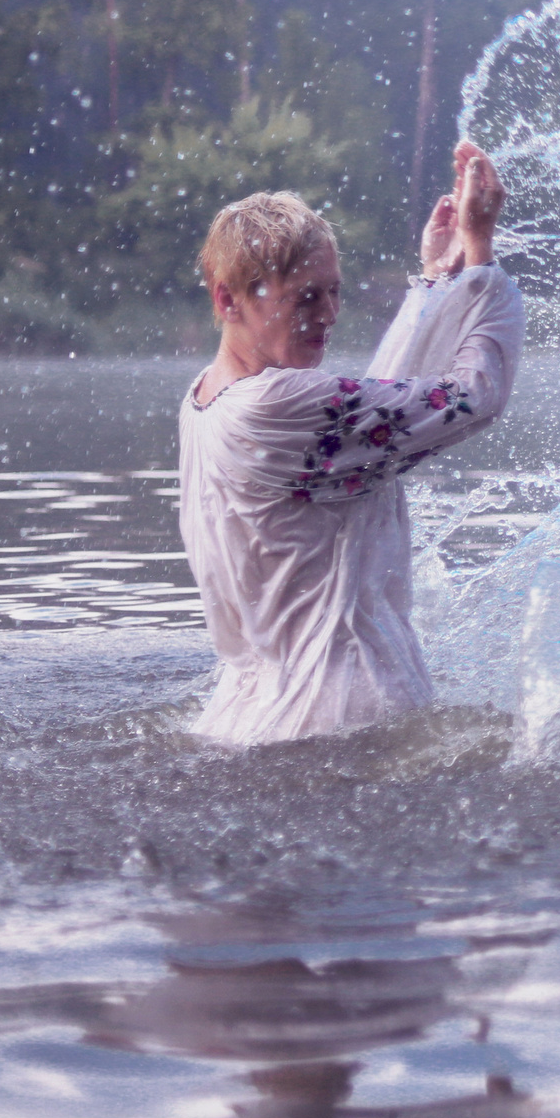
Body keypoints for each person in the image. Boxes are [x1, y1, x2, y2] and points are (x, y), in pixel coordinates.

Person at [178, 143, 525, 744]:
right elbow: (473, 396)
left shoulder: (204, 400)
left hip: (250, 717)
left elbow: (374, 412)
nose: (328, 313)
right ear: (228, 299)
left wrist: (437, 283)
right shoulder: (274, 404)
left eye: (334, 291)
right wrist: (482, 258)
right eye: (305, 297)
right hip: (348, 706)